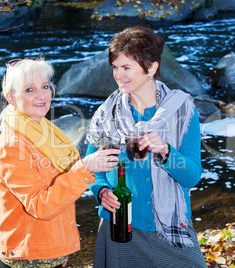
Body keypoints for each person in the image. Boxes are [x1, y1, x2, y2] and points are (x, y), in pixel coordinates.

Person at [86, 26, 206, 267]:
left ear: (151, 68)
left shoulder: (182, 110)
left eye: (126, 68)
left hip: (172, 229)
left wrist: (166, 152)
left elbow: (192, 176)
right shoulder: (105, 113)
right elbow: (92, 169)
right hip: (119, 230)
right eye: (115, 68)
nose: (118, 75)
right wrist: (101, 192)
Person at [0, 57, 120, 268]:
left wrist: (61, 249)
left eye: (45, 86)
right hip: (29, 258)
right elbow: (41, 206)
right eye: (29, 90)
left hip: (50, 252)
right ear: (11, 98)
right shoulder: (12, 145)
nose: (42, 95)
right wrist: (85, 168)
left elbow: (59, 194)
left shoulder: (43, 129)